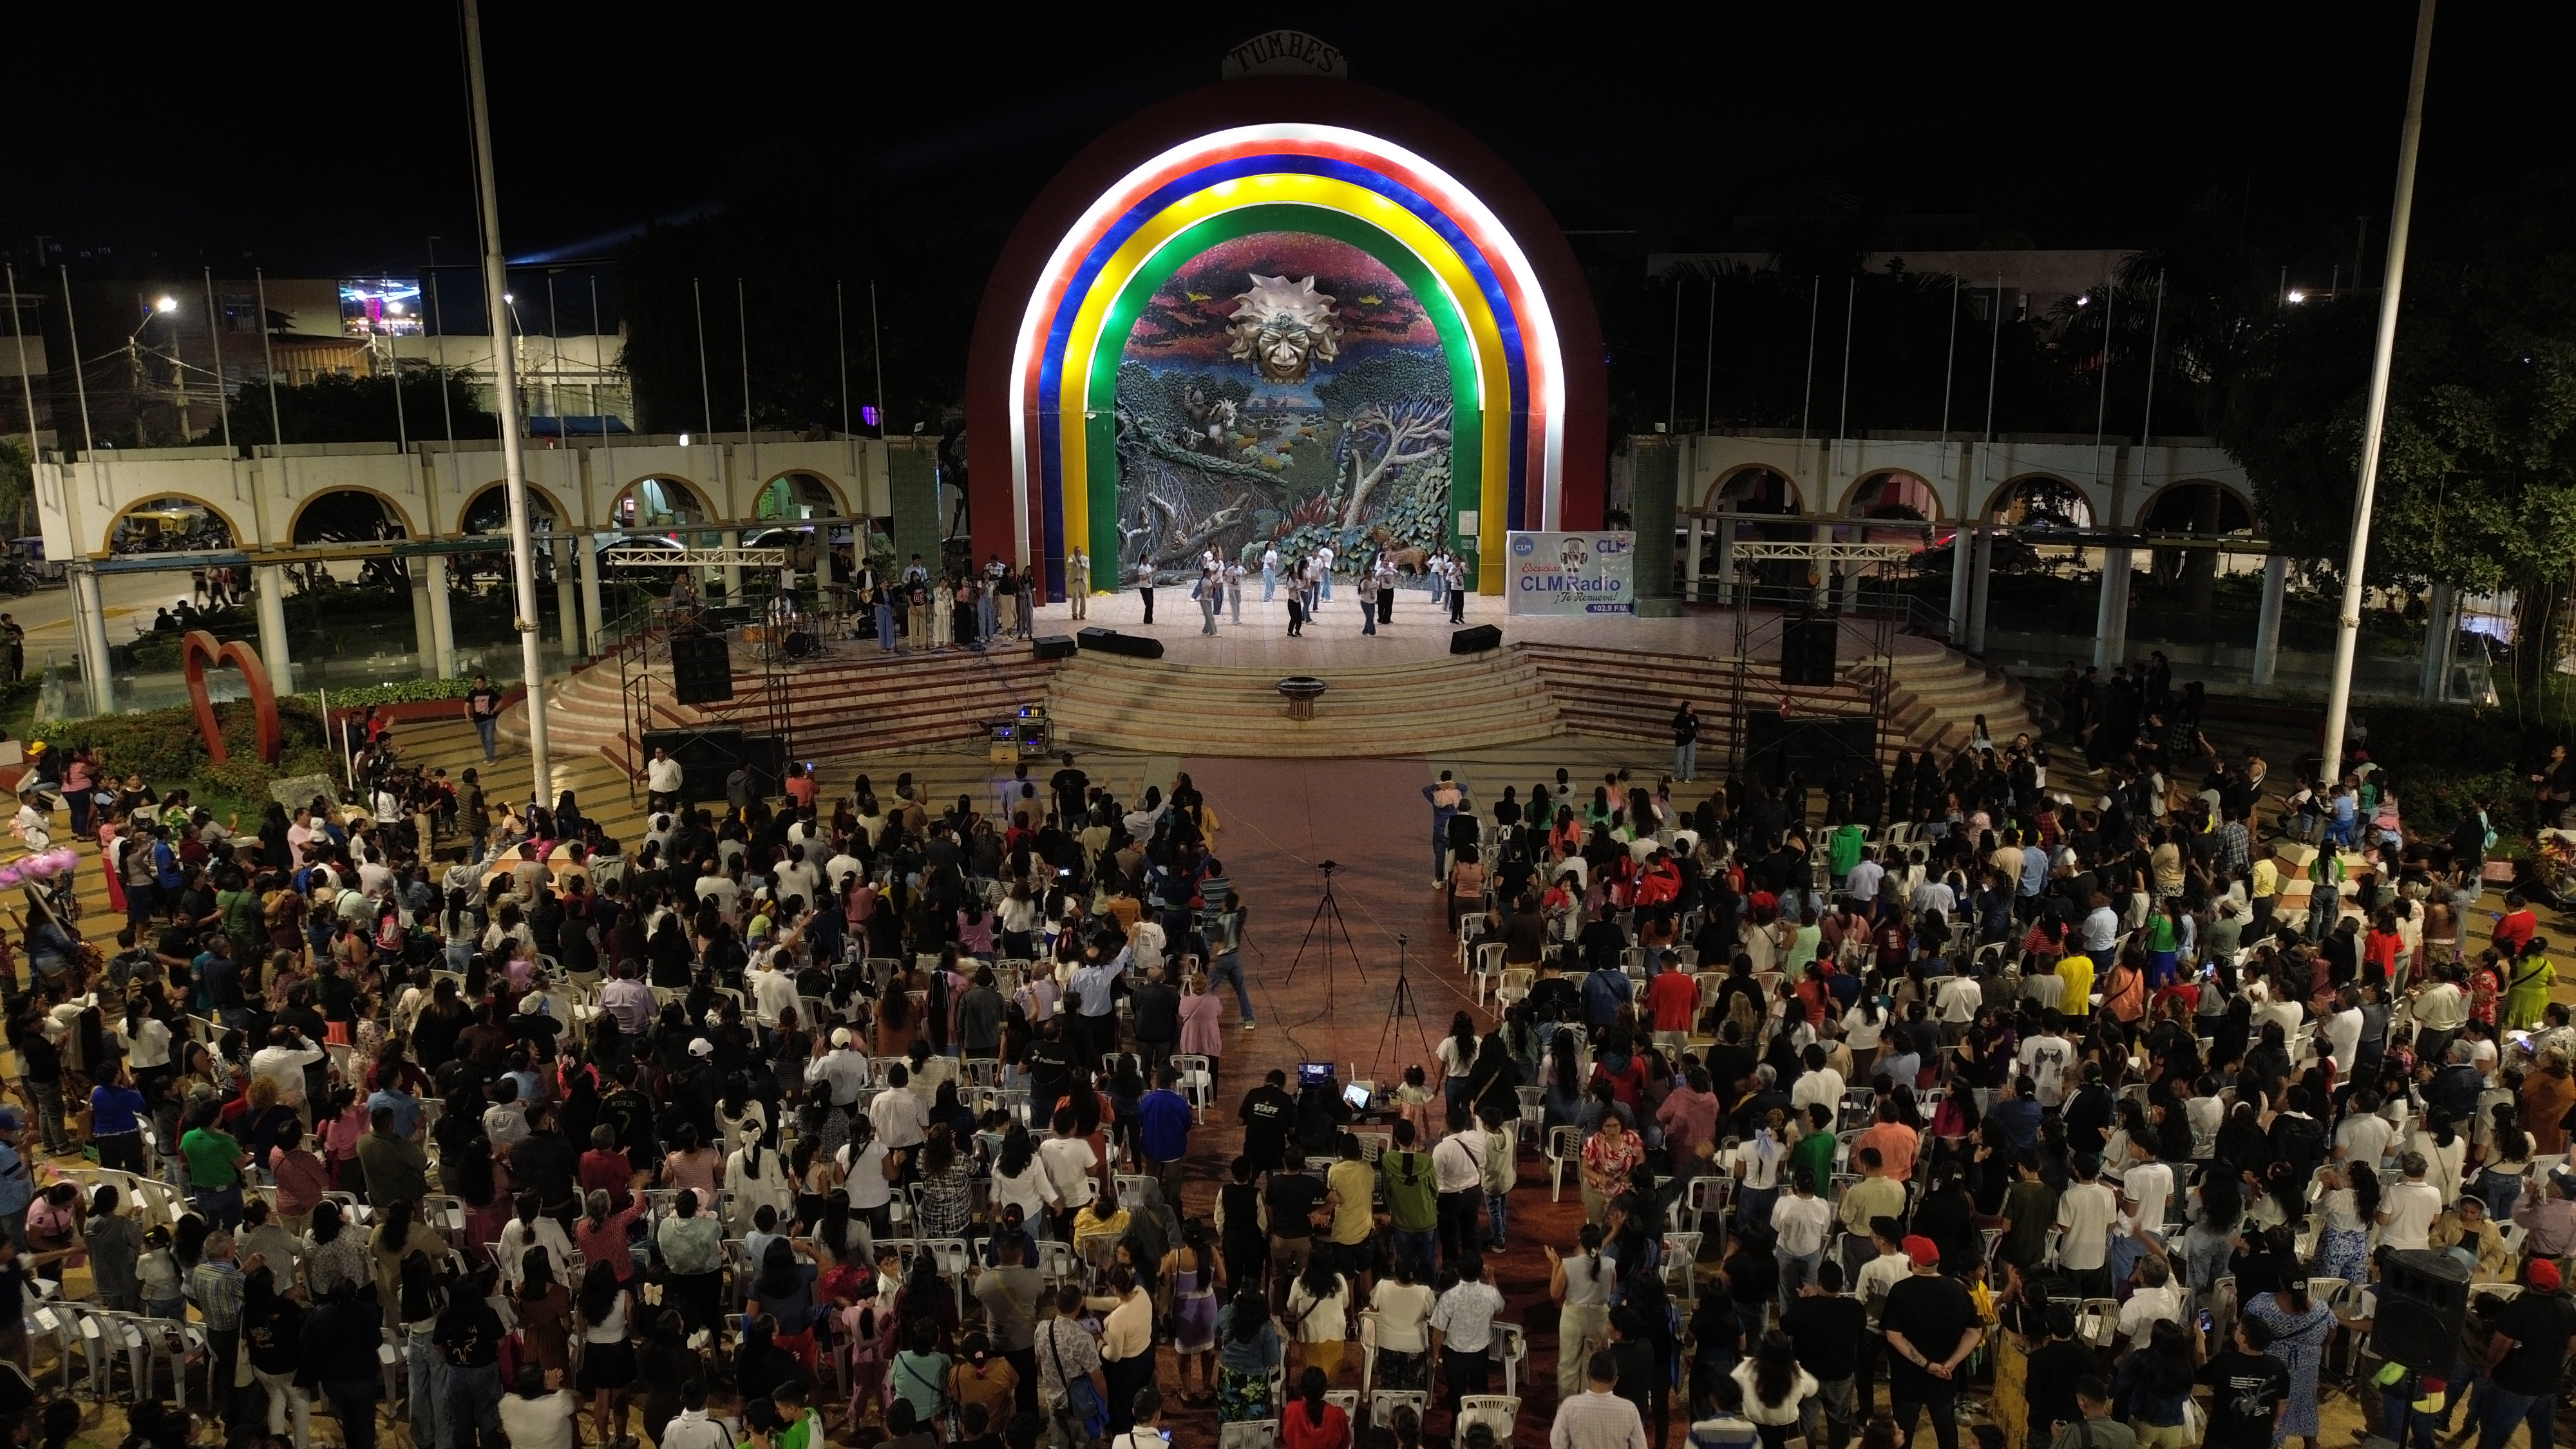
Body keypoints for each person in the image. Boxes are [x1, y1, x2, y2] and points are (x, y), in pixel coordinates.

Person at [1881, 1235, 1981, 1449]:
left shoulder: (1900, 1291)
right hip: (1945, 1376)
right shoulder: (1958, 1290)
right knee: (1946, 1426)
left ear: (1914, 1260)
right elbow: (1974, 1332)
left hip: (1907, 1379)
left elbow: (1894, 1336)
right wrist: (1951, 1363)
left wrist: (1927, 1365)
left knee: (1903, 1431)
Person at [2196, 1314, 2289, 1449]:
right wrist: (2275, 1422)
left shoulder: (2225, 1362)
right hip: (2259, 1439)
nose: (2235, 1329)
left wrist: (2200, 1338)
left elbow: (2202, 1375)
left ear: (2243, 1339)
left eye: (2238, 1328)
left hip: (2222, 1438)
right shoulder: (2278, 1366)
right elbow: (2283, 1401)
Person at [1731, 1331, 1819, 1449]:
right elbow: (1812, 1389)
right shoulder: (1795, 1372)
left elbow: (1733, 1381)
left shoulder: (1747, 1368)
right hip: (1787, 1429)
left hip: (1755, 1427)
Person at [1551, 1349, 1651, 1449]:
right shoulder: (1629, 1409)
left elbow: (1557, 1443)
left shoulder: (1569, 1406)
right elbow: (1641, 1446)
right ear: (1615, 1380)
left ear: (1588, 1376)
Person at [2045, 1378, 2136, 1449]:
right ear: (2105, 1399)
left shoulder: (2075, 1432)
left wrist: (2058, 1439)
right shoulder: (2129, 1433)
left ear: (2083, 1402)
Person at [1282, 1366, 1351, 1449]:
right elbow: (1345, 1443)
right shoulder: (1338, 1415)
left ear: (1302, 1388)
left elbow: (1288, 1439)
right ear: (1325, 1389)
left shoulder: (1291, 1410)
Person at [464, 674, 505, 764]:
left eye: (480, 682)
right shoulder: (473, 693)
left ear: (484, 682)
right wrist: (467, 716)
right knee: (483, 739)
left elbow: (500, 701)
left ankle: (491, 757)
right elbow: (467, 705)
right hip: (478, 721)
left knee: (489, 738)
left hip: (490, 719)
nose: (478, 684)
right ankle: (488, 755)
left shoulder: (490, 692)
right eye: (476, 683)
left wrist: (494, 710)